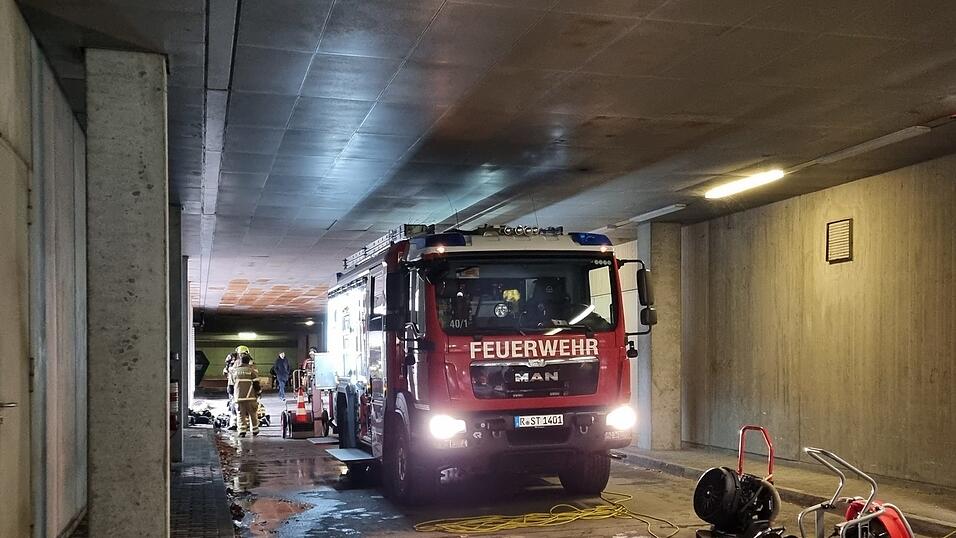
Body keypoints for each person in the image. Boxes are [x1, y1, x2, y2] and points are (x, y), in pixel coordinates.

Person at [229, 353, 261, 437]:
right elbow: (256, 384)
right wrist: (258, 393)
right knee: (253, 413)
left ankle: (242, 431)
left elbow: (230, 387)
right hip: (251, 397)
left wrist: (233, 395)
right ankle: (254, 430)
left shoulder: (234, 372)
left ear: (240, 361)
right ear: (249, 362)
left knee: (240, 414)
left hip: (238, 398)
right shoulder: (252, 371)